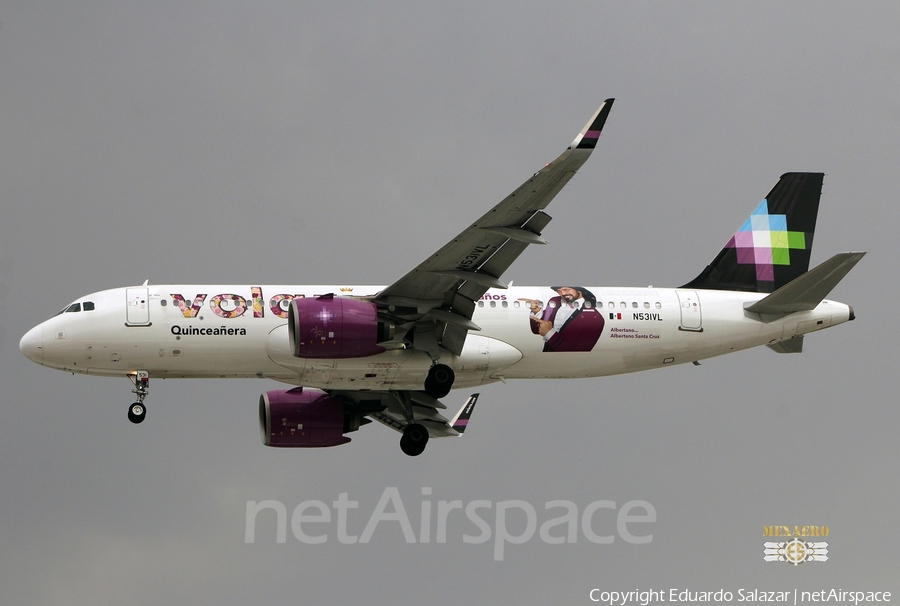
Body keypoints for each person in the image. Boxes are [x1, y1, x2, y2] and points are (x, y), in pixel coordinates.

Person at [522, 286, 604, 352]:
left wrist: (549, 333)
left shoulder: (595, 318)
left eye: (566, 289)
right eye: (559, 291)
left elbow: (577, 351)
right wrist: (537, 312)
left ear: (579, 290)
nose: (563, 293)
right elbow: (537, 330)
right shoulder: (554, 301)